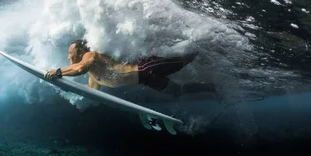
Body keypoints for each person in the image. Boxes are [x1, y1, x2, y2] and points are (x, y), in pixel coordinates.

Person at [44, 39, 217, 97]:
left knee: (183, 61)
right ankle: (210, 87)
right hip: (145, 79)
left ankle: (203, 46)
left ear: (81, 51)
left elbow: (79, 68)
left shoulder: (90, 56)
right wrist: (63, 85)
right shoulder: (92, 73)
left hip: (147, 67)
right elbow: (92, 90)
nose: (68, 57)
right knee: (178, 92)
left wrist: (58, 72)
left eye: (70, 53)